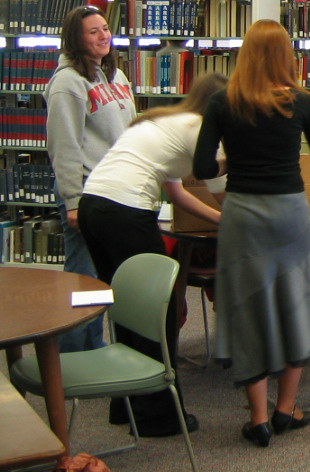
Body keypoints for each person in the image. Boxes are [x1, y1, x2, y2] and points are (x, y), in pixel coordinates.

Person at [193, 19, 310, 448]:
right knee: (295, 303)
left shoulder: (222, 102)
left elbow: (202, 170)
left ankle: (257, 418)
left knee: (246, 308)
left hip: (241, 215)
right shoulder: (302, 102)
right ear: (286, 57)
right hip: (289, 214)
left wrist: (230, 163)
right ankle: (285, 408)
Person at [78, 72, 227, 438]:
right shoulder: (202, 129)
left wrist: (223, 221)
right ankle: (156, 415)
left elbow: (178, 195)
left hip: (93, 206)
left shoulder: (162, 120)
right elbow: (222, 191)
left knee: (126, 308)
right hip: (127, 211)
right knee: (157, 311)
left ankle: (125, 403)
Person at [44, 3, 136, 352]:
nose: (103, 36)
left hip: (116, 193)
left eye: (105, 29)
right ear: (76, 39)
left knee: (104, 280)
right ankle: (74, 356)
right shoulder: (67, 83)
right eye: (93, 31)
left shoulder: (114, 76)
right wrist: (72, 200)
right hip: (86, 195)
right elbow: (63, 146)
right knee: (83, 280)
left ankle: (95, 348)